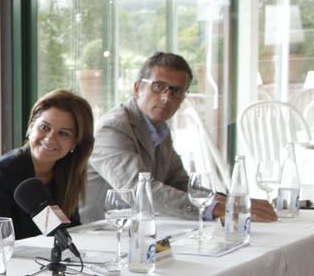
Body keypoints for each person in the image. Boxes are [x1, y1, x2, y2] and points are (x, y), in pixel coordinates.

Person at [83, 51, 278, 223]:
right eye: (158, 87)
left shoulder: (158, 128)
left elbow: (179, 183)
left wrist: (229, 201)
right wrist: (214, 207)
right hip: (100, 234)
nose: (167, 97)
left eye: (176, 91)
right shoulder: (113, 128)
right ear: (137, 88)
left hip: (141, 227)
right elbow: (139, 191)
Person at [0, 90, 96, 240]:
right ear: (31, 126)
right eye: (45, 127)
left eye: (63, 133)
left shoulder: (65, 173)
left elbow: (66, 232)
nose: (50, 139)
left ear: (75, 143)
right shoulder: (1, 174)